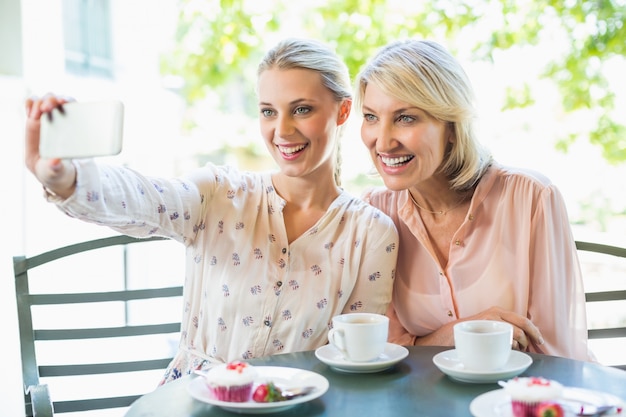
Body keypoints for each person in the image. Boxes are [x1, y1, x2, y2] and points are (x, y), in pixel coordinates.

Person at [24, 38, 399, 383]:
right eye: (268, 112)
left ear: (343, 111)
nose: (282, 130)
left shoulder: (371, 233)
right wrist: (64, 177)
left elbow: (356, 362)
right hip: (194, 402)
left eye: (301, 110)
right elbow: (144, 198)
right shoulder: (220, 193)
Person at [355, 39, 592, 361]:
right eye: (370, 117)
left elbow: (554, 351)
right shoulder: (375, 212)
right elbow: (383, 353)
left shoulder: (531, 198)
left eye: (406, 118)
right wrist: (457, 333)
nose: (382, 141)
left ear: (452, 126)